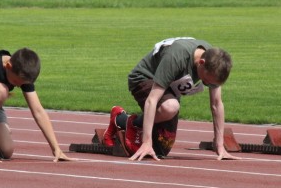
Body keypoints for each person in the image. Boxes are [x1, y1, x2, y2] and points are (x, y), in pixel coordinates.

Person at [103, 37, 241, 161]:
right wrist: (146, 142)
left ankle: (120, 119)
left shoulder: (214, 62)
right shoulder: (176, 57)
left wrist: (219, 145)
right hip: (144, 78)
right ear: (201, 62)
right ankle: (132, 123)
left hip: (169, 87)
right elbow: (152, 100)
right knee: (171, 107)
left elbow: (216, 104)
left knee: (162, 148)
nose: (207, 84)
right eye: (205, 81)